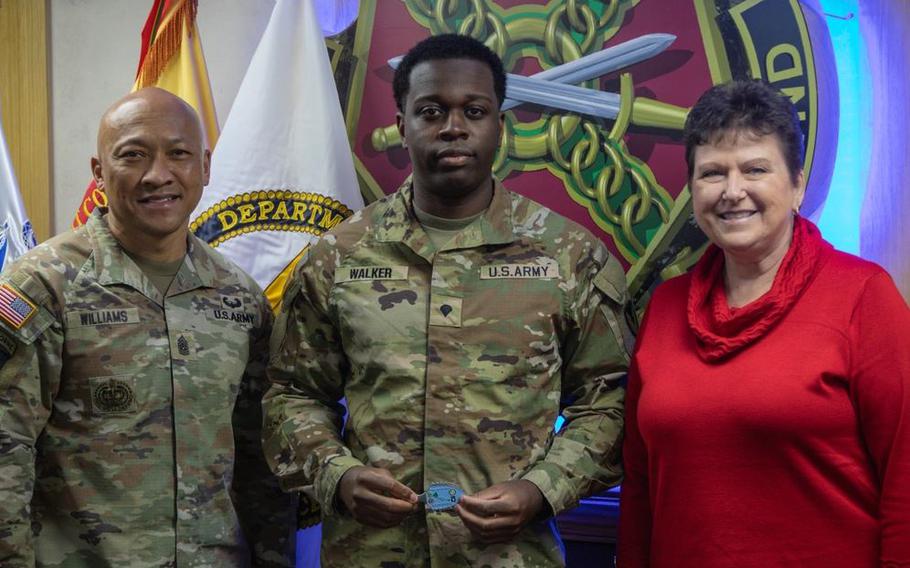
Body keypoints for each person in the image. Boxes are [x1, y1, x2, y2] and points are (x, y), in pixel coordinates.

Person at [263, 34, 631, 566]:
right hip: (371, 552)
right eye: (431, 111)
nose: (453, 127)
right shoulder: (338, 255)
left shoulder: (568, 256)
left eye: (474, 110)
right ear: (401, 124)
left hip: (508, 554)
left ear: (499, 125)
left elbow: (609, 401)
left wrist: (543, 488)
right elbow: (291, 394)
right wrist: (336, 474)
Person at [618, 80, 910, 567]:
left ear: (797, 184)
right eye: (712, 173)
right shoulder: (666, 308)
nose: (733, 191)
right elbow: (641, 484)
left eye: (755, 169)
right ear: (691, 189)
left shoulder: (863, 297)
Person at [0, 88, 296, 567]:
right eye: (133, 155)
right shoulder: (41, 287)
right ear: (99, 172)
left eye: (178, 154)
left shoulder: (239, 297)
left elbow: (259, 461)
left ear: (204, 166)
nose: (158, 175)